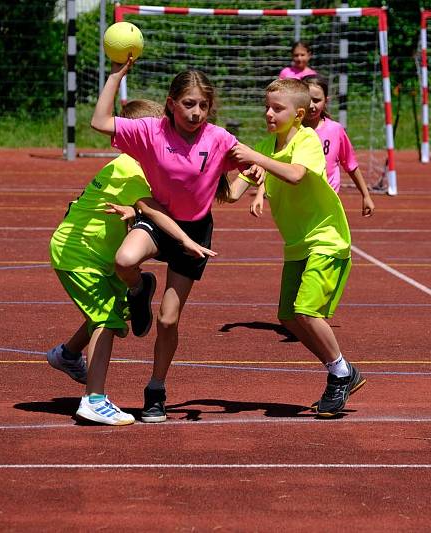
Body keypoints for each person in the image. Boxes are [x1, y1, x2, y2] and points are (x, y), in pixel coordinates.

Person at [47, 99, 217, 425]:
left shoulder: (132, 164)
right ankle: (93, 400)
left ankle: (68, 354)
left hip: (92, 256)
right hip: (80, 258)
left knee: (113, 306)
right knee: (107, 321)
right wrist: (184, 238)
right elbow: (154, 208)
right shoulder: (133, 167)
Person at [90, 59, 239, 423]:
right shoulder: (150, 131)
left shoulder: (217, 138)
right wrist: (115, 76)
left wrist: (255, 174)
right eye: (189, 103)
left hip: (194, 232)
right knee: (124, 261)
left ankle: (156, 389)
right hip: (158, 221)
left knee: (168, 321)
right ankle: (140, 288)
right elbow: (99, 123)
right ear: (171, 103)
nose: (196, 112)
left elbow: (243, 169)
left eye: (203, 105)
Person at [226, 78, 366, 417]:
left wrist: (256, 157)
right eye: (267, 107)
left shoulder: (307, 140)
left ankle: (341, 372)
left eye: (277, 108)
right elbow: (231, 194)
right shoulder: (265, 144)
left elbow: (295, 174)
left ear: (299, 114)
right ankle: (342, 371)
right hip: (297, 245)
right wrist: (213, 166)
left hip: (326, 239)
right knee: (288, 316)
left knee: (306, 311)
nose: (269, 113)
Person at [250, 74, 375, 218]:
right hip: (298, 199)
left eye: (317, 100)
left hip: (326, 200)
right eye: (309, 100)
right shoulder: (290, 132)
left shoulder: (335, 130)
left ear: (326, 101)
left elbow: (351, 165)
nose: (311, 105)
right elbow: (271, 164)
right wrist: (260, 193)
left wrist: (366, 195)